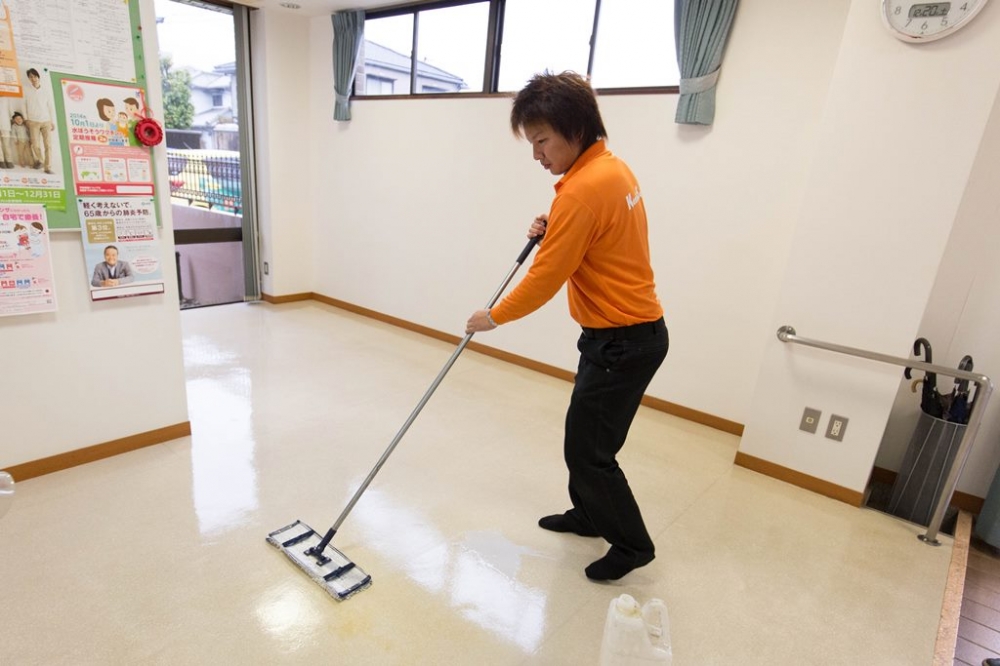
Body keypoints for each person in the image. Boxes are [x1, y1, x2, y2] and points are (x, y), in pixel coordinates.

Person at [465, 71, 668, 582]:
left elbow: (546, 277)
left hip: (621, 341)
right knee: (587, 437)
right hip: (625, 335)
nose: (536, 155)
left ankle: (631, 544)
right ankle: (588, 515)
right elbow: (594, 235)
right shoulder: (611, 170)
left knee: (588, 450)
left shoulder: (581, 190)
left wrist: (493, 316)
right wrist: (557, 225)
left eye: (541, 141)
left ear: (574, 128)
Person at [22, 68, 56, 174]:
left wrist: (52, 121)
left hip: (46, 121)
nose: (33, 78)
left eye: (35, 76)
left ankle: (48, 167)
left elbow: (50, 107)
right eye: (31, 77)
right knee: (35, 144)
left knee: (48, 145)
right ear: (29, 78)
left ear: (38, 77)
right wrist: (26, 119)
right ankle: (41, 160)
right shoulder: (26, 90)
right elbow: (23, 105)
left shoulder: (46, 91)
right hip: (33, 121)